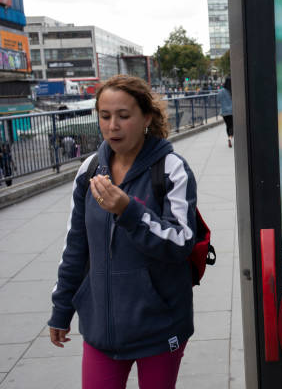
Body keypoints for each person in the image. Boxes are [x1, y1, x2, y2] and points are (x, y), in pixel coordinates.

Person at [48, 75, 197, 389]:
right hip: (102, 329)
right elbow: (76, 247)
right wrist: (62, 310)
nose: (112, 125)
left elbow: (181, 241)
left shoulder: (171, 168)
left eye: (124, 116)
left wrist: (129, 211)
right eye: (105, 116)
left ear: (146, 117)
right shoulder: (89, 170)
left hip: (160, 327)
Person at [218, 77, 233, 148]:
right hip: (232, 111)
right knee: (232, 126)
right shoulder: (232, 90)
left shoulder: (220, 91)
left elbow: (218, 100)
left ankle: (229, 137)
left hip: (224, 112)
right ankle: (230, 137)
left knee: (228, 125)